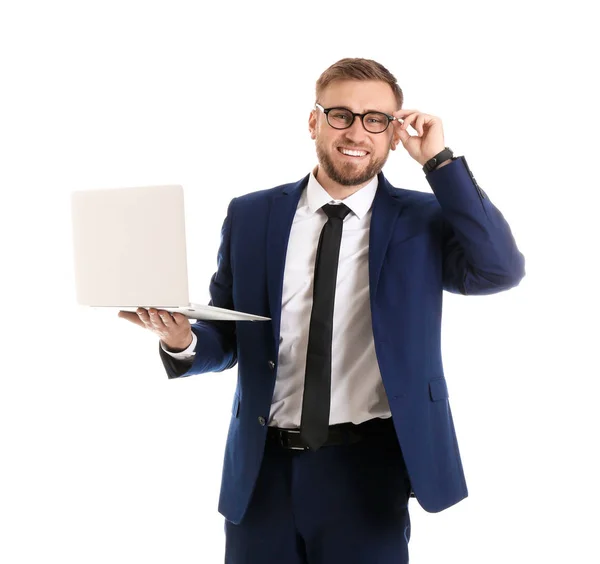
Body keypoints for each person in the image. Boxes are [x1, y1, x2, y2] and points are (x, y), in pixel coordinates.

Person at [119, 57, 526, 563]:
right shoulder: (251, 214)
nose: (357, 130)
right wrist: (183, 341)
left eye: (376, 118)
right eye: (341, 114)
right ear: (314, 121)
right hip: (261, 472)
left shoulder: (422, 221)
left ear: (394, 131)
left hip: (368, 471)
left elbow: (500, 269)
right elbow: (227, 334)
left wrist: (438, 162)